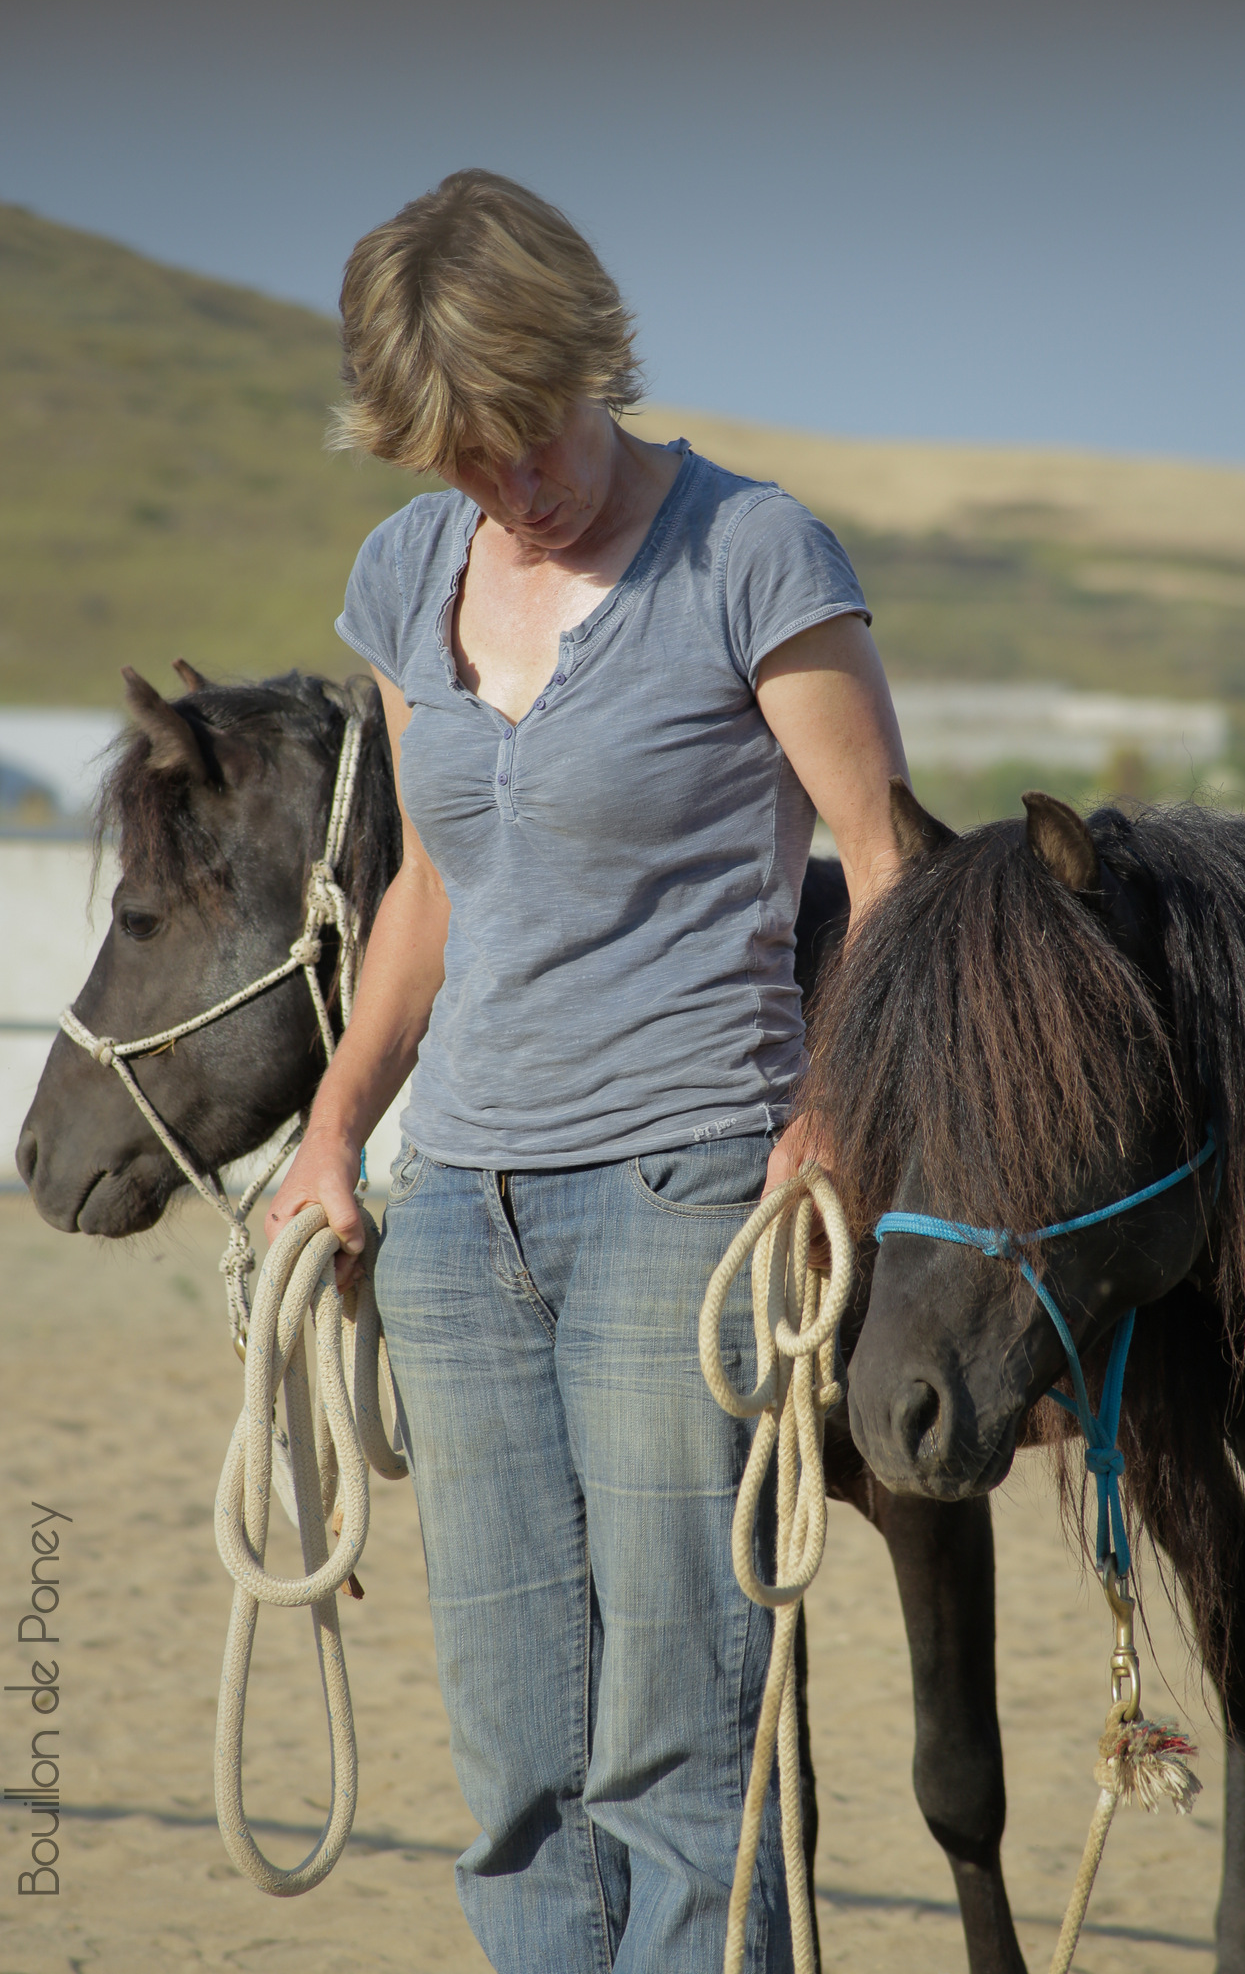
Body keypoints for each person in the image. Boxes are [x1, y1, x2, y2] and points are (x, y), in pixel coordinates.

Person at [266, 168, 908, 1972]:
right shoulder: (408, 573)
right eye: (459, 461)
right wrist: (332, 1135)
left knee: (678, 1751)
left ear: (585, 358)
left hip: (680, 1191)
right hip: (455, 1217)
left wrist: (832, 1113)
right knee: (514, 1763)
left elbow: (887, 866)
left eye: (525, 434)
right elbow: (428, 889)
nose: (508, 490)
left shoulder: (752, 553)